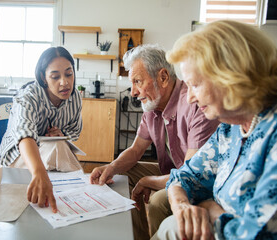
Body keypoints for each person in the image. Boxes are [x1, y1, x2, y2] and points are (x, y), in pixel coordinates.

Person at [151, 20, 277, 240]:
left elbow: (258, 234)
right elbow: (184, 176)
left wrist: (213, 212)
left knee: (171, 229)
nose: (191, 97)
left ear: (230, 77)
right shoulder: (230, 129)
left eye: (195, 85)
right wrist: (182, 205)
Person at [89, 44, 219, 239]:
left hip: (197, 177)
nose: (133, 92)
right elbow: (135, 150)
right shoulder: (152, 106)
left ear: (163, 77)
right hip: (173, 172)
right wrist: (111, 167)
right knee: (123, 172)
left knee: (158, 198)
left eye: (138, 81)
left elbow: (191, 171)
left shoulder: (194, 104)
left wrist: (149, 181)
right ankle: (140, 236)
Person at [0, 46, 83, 213]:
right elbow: (25, 137)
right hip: (17, 157)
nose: (64, 82)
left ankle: (76, 197)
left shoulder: (75, 98)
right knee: (58, 147)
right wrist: (39, 173)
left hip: (50, 153)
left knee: (58, 145)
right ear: (44, 78)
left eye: (68, 74)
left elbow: (75, 131)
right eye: (55, 77)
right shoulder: (28, 97)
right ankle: (81, 195)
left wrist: (61, 135)